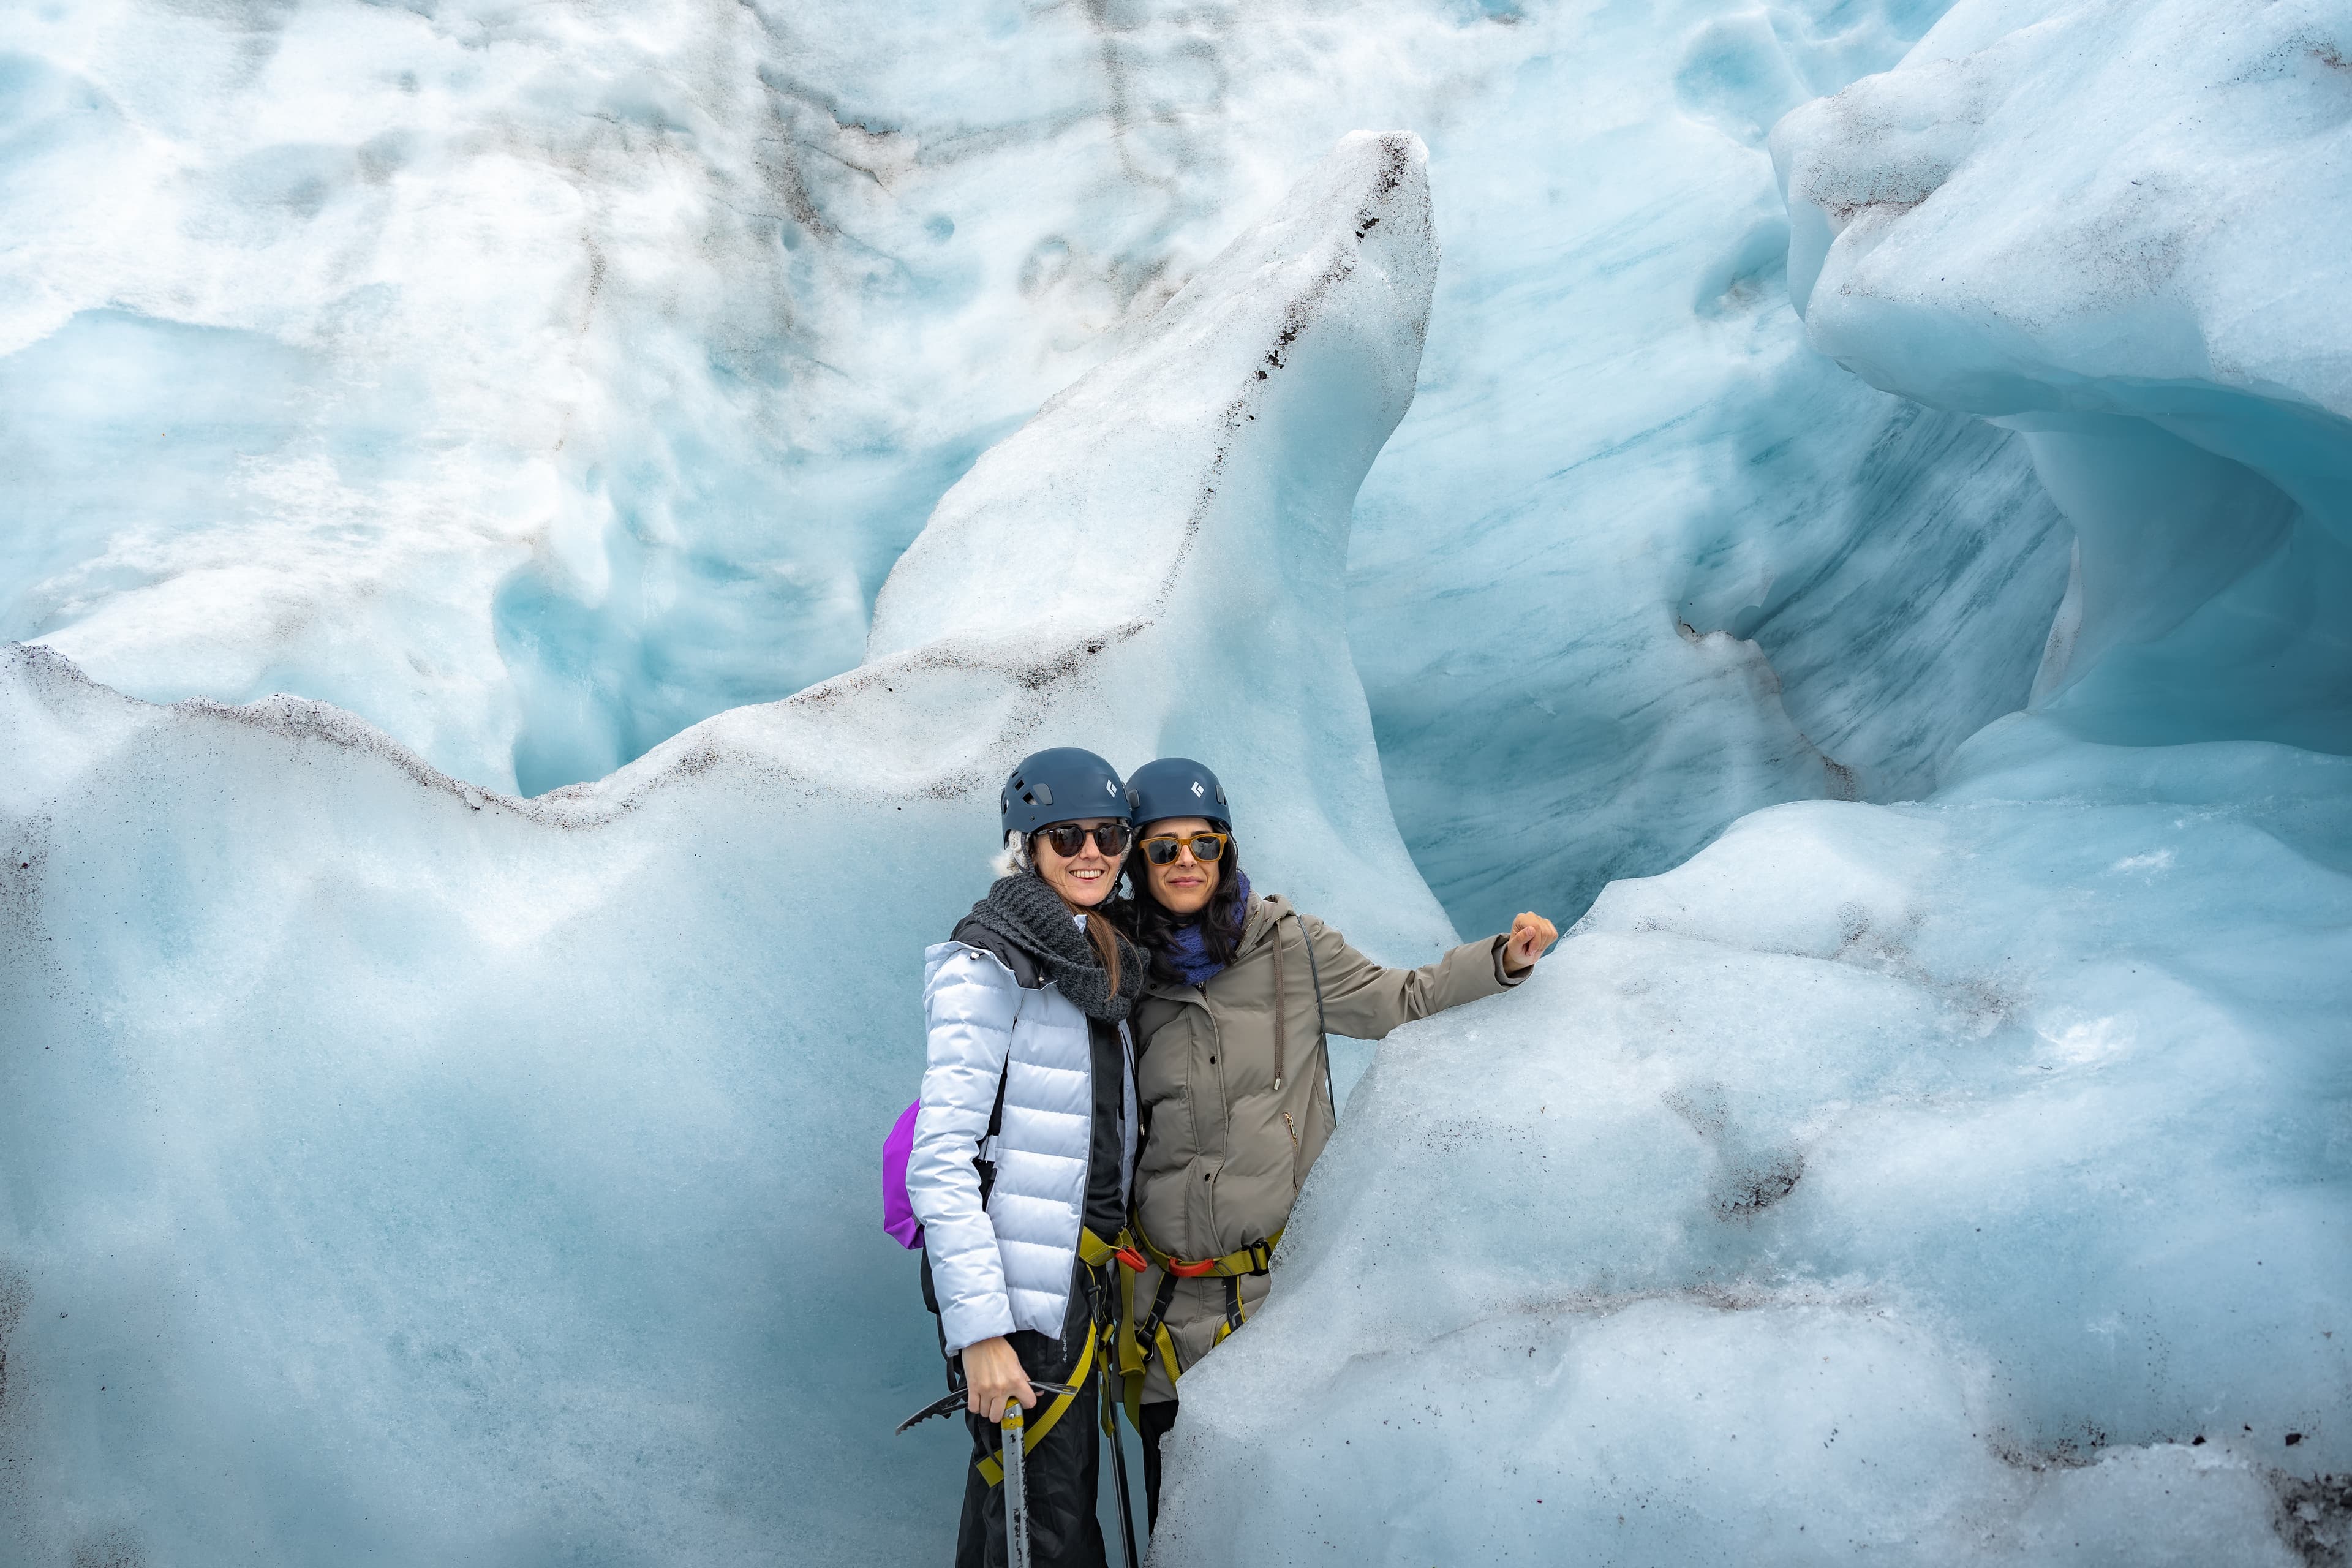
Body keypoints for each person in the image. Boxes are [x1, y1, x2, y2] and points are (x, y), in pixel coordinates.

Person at [1114, 756, 1558, 1525]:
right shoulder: (1120, 968)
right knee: (1178, 1530)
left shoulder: (1291, 946)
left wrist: (1503, 962)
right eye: (1163, 848)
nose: (1186, 862)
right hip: (1160, 1315)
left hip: (1276, 1306)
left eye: (1203, 844)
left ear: (1227, 849)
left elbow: (1400, 998)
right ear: (1137, 861)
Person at [906, 746, 1147, 1568]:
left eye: (1110, 835)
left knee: (1047, 1515)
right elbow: (940, 1158)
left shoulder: (1091, 959)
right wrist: (981, 1335)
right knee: (1041, 1528)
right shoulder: (989, 963)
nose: (1092, 853)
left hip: (1070, 1287)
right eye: (1066, 835)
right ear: (1026, 847)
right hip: (1017, 1307)